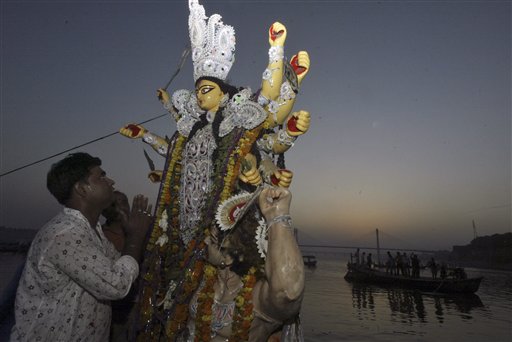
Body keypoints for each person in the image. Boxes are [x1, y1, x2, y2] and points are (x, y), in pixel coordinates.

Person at [118, 1, 312, 339]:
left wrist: (276, 55)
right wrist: (146, 135)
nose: (200, 96)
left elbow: (263, 133)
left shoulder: (238, 126)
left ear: (225, 95)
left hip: (224, 225)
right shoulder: (189, 131)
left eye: (207, 89)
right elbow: (172, 159)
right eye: (198, 91)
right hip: (185, 245)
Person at [10, 152, 152, 341]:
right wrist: (135, 237)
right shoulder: (63, 235)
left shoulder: (92, 232)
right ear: (82, 189)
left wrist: (131, 233)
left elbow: (122, 266)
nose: (111, 181)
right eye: (101, 176)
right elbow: (116, 284)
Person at [189, 186, 304, 341]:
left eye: (214, 241)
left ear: (229, 257)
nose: (205, 241)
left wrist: (277, 214)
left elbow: (288, 292)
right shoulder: (200, 278)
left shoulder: (256, 297)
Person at [101, 190, 140, 342]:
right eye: (114, 204)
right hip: (113, 308)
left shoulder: (141, 230)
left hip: (137, 303)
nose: (120, 207)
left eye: (123, 202)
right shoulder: (101, 236)